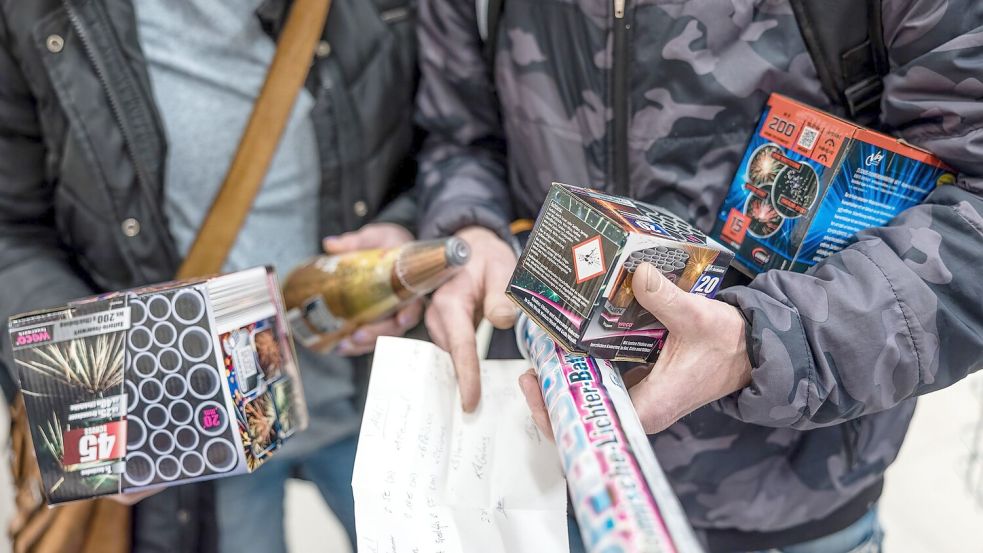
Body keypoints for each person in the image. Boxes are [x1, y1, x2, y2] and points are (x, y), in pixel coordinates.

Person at [415, 1, 983, 551]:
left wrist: (761, 343)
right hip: (560, 476)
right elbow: (459, 134)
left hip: (792, 494)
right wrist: (471, 231)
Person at [0, 1, 420, 552]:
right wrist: (89, 383)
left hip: (375, 388)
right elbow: (11, 224)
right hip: (191, 429)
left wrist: (406, 231)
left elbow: (460, 131)